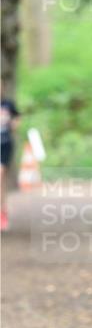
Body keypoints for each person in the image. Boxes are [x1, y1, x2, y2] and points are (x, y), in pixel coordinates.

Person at [0, 84, 21, 232]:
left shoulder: (8, 104)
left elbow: (17, 117)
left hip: (4, 145)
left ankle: (2, 214)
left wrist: (14, 124)